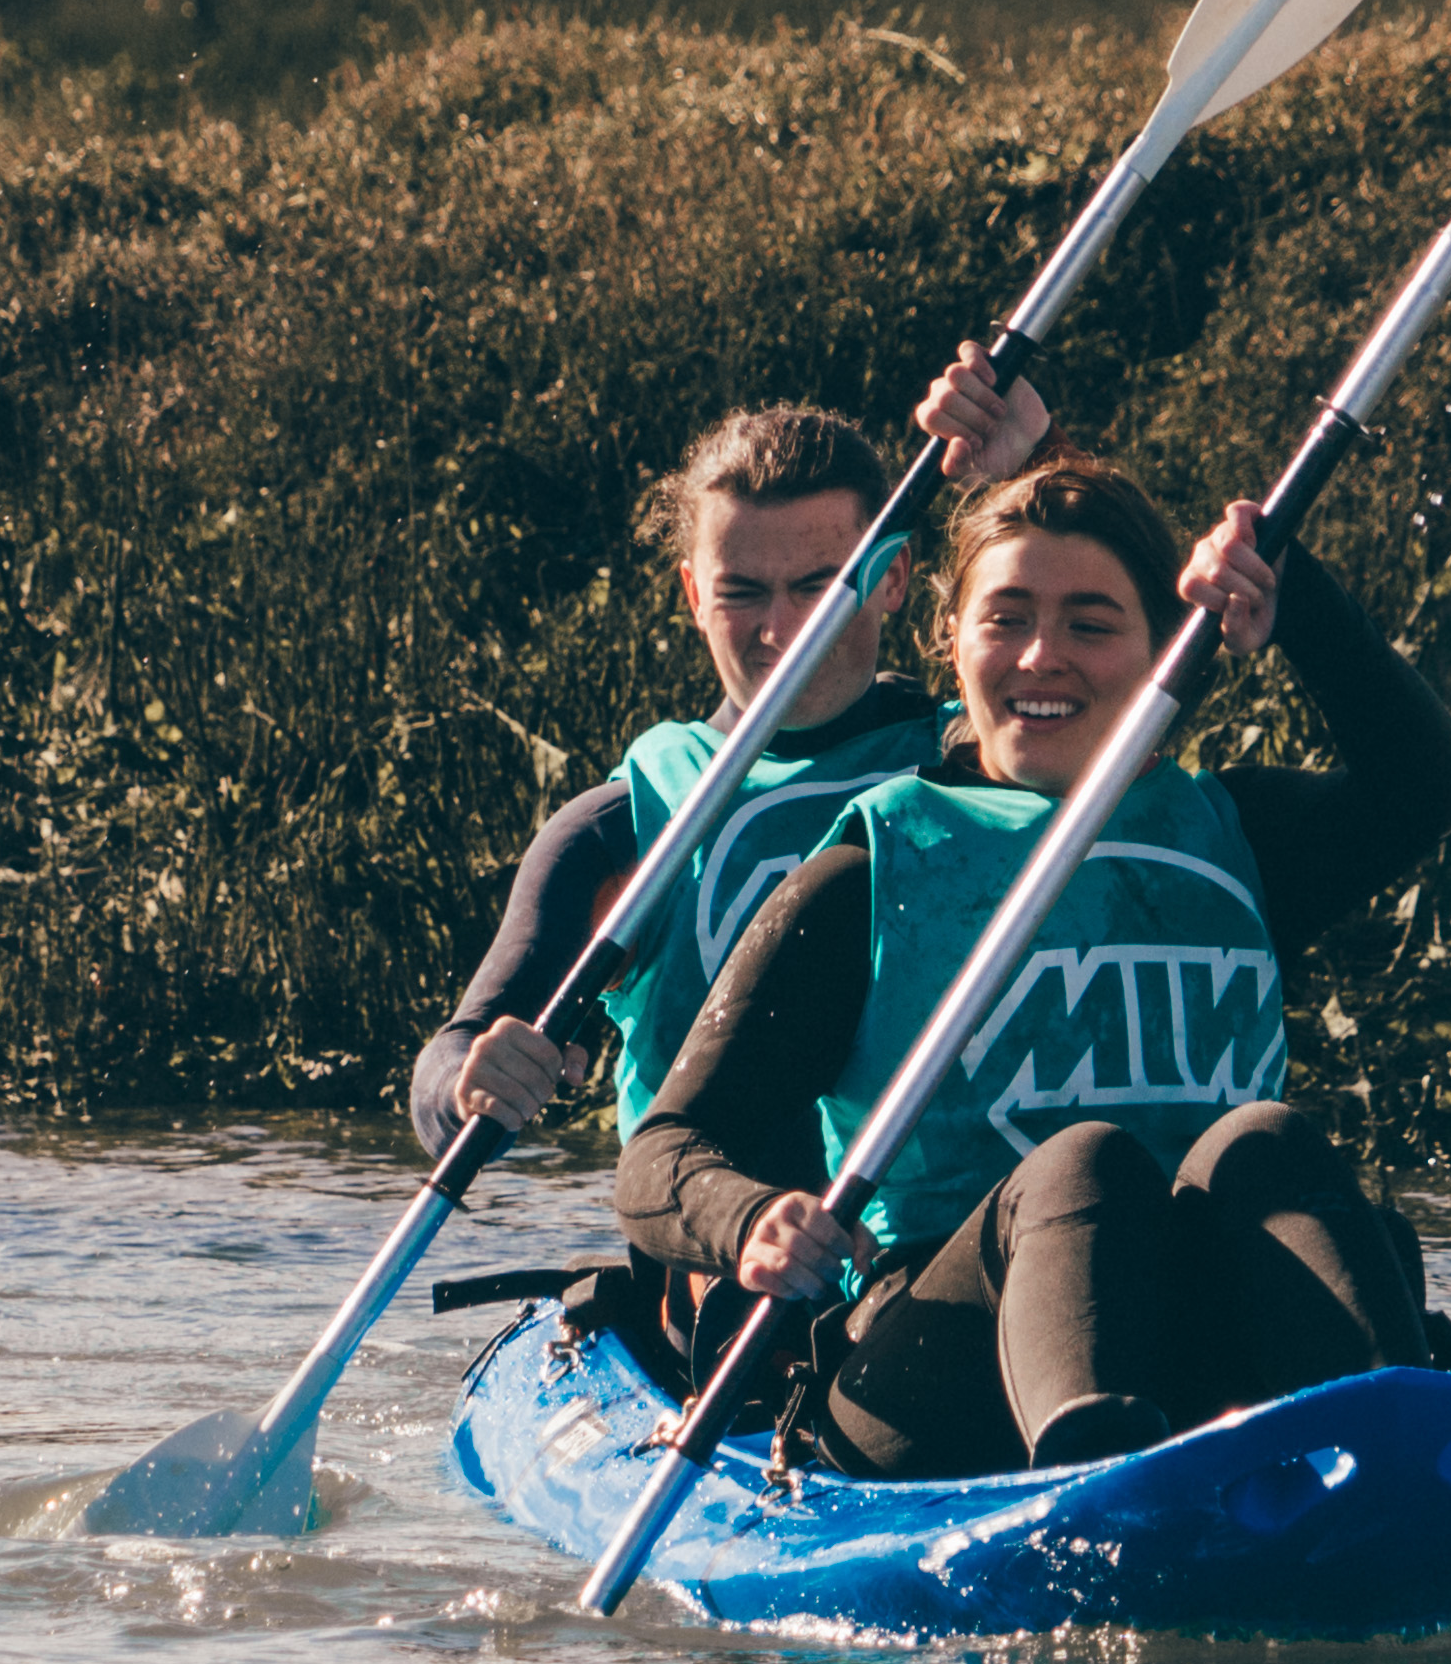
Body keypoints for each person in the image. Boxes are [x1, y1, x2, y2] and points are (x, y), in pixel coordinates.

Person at [612, 458, 1451, 1477]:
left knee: (1266, 1143)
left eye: (1090, 624)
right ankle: (1096, 1474)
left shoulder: (1234, 836)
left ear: (1166, 651)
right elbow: (662, 1153)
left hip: (1202, 1346)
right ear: (952, 643)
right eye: (1005, 618)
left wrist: (1299, 602)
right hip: (937, 1364)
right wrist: (749, 1218)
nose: (1040, 658)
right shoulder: (872, 864)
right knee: (1082, 1159)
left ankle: (1403, 1460)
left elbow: (1421, 787)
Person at [410, 349, 1056, 1158]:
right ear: (692, 596)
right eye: (741, 592)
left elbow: (1139, 660)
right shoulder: (627, 825)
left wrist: (1045, 460)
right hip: (714, 1254)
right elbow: (450, 1061)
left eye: (818, 588)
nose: (780, 633)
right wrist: (465, 1082)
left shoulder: (987, 761)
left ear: (893, 581)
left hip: (935, 1242)